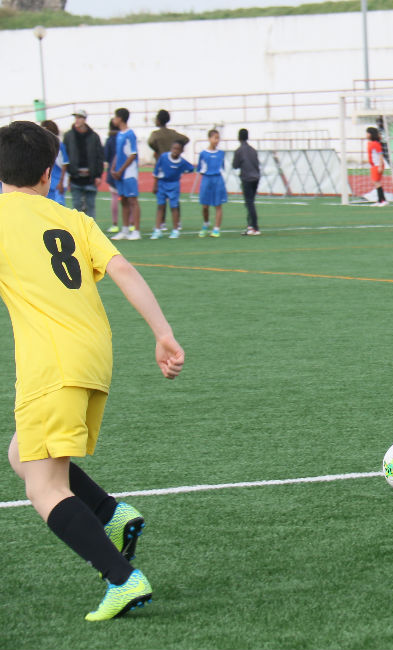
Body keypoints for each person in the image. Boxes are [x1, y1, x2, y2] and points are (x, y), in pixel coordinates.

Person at [0, 120, 184, 621]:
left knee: (43, 488)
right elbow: (122, 269)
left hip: (49, 364)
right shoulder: (74, 219)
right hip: (94, 356)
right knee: (22, 453)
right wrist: (161, 332)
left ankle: (122, 579)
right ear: (48, 173)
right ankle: (111, 513)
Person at [63, 108, 105, 220]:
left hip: (90, 177)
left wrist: (98, 175)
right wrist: (67, 174)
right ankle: (78, 233)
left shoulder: (94, 136)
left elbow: (99, 157)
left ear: (84, 119)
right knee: (76, 207)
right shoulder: (69, 136)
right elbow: (65, 156)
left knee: (91, 206)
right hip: (75, 177)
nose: (77, 120)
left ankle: (91, 232)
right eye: (76, 117)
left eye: (79, 117)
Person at [149, 141, 194, 240]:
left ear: (181, 151)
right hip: (162, 183)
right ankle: (157, 229)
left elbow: (191, 168)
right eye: (174, 148)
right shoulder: (164, 157)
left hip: (174, 185)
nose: (175, 151)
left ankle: (175, 230)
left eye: (178, 149)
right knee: (160, 206)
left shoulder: (182, 162)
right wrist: (155, 185)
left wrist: (182, 172)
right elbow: (157, 170)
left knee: (174, 207)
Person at [109, 108, 140, 241]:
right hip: (120, 172)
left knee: (133, 200)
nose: (113, 120)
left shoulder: (130, 134)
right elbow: (118, 153)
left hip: (129, 172)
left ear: (120, 118)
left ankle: (136, 230)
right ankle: (125, 229)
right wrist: (113, 167)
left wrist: (121, 170)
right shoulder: (119, 134)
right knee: (124, 200)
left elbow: (133, 154)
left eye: (115, 117)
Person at [197, 129, 227, 237]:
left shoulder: (221, 153)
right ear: (209, 139)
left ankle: (216, 229)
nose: (217, 140)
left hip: (218, 180)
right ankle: (205, 224)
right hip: (206, 179)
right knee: (205, 206)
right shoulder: (203, 153)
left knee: (218, 205)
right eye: (215, 138)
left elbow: (222, 168)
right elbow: (200, 169)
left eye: (218, 138)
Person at [233, 128, 262, 234]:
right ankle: (250, 226)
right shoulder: (253, 150)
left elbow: (235, 165)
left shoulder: (239, 151)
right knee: (251, 202)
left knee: (249, 203)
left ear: (239, 137)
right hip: (256, 177)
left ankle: (254, 227)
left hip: (247, 178)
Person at [41, 120, 67, 206]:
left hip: (57, 182)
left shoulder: (59, 145)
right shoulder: (42, 145)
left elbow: (65, 163)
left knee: (59, 206)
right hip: (47, 182)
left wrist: (61, 182)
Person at [102, 120, 121, 234]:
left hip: (113, 171)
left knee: (114, 197)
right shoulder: (124, 137)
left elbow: (106, 156)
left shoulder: (110, 140)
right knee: (127, 199)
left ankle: (115, 224)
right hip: (125, 170)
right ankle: (131, 224)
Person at [364, 126, 388, 208]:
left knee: (376, 182)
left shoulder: (376, 144)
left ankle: (383, 200)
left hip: (377, 165)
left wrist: (380, 166)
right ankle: (379, 200)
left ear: (371, 134)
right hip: (373, 165)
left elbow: (380, 155)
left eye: (367, 133)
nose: (366, 135)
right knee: (375, 182)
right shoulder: (370, 143)